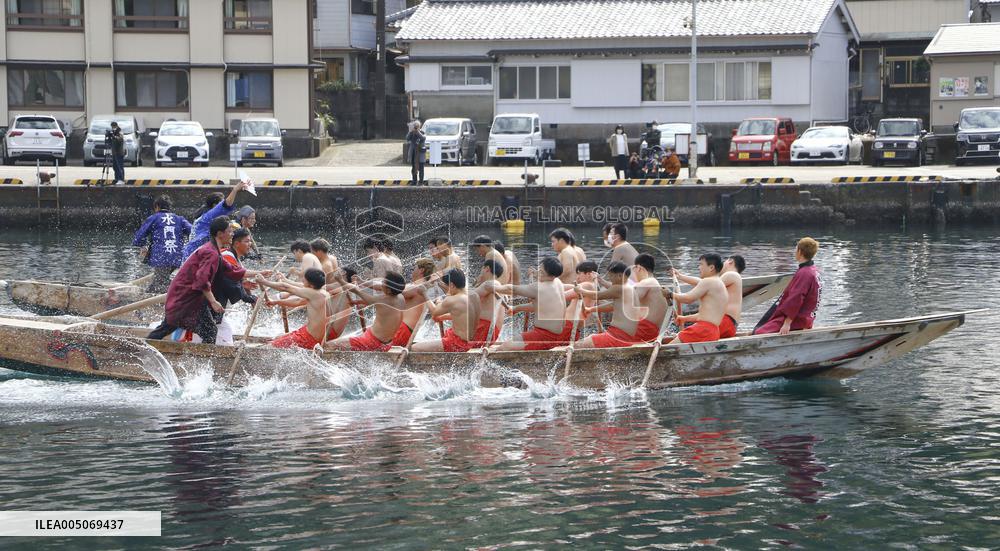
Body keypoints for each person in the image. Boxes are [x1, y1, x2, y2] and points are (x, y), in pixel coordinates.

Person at [148, 216, 238, 345]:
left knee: (169, 326)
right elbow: (202, 280)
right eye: (230, 231)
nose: (232, 234)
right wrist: (213, 301)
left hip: (188, 298)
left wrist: (260, 275)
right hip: (186, 298)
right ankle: (204, 361)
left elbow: (232, 270)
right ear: (220, 234)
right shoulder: (211, 252)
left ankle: (145, 347)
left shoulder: (214, 250)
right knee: (209, 330)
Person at [493, 257, 572, 351]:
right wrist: (516, 308)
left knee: (503, 348)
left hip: (544, 336)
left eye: (540, 269)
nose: (538, 271)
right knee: (510, 342)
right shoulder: (557, 283)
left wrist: (494, 288)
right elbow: (536, 306)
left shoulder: (538, 288)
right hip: (555, 335)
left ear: (543, 273)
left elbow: (512, 289)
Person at [754, 238, 821, 336]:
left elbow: (796, 298)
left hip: (797, 319)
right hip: (807, 318)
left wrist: (787, 323)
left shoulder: (804, 273)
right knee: (761, 328)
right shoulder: (814, 271)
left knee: (759, 333)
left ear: (799, 251)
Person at [326, 272, 406, 351]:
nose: (381, 284)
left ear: (388, 290)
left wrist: (341, 280)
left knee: (330, 345)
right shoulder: (400, 297)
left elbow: (355, 290)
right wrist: (363, 282)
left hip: (372, 342)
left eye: (383, 283)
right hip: (386, 343)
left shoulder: (381, 300)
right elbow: (378, 290)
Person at [676, 254, 746, 339]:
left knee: (693, 331)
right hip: (729, 325)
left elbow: (705, 283)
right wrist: (681, 277)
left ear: (730, 261)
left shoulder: (731, 274)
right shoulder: (733, 277)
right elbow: (704, 283)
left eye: (725, 261)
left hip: (726, 322)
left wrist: (681, 278)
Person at [132, 195, 192, 293]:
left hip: (161, 257)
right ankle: (152, 296)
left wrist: (143, 246)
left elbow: (139, 237)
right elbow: (193, 232)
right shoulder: (179, 219)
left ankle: (159, 302)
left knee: (160, 283)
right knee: (161, 280)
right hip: (178, 257)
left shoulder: (154, 218)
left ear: (157, 207)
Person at [572, 262, 640, 348]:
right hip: (624, 336)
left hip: (618, 336)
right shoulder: (629, 288)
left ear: (619, 276)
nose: (610, 279)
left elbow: (598, 295)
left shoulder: (619, 288)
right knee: (589, 338)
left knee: (577, 345)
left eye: (611, 276)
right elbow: (612, 306)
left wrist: (581, 290)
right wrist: (591, 309)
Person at [412, 269, 482, 353]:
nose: (447, 289)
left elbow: (434, 311)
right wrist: (438, 282)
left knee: (414, 348)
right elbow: (462, 315)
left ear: (452, 285)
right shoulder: (474, 295)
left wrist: (424, 294)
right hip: (470, 342)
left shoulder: (452, 299)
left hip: (457, 343)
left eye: (446, 285)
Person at [259, 269, 330, 350]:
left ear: (310, 283)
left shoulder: (313, 293)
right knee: (277, 338)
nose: (302, 280)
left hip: (308, 338)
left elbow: (285, 287)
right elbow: (298, 301)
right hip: (309, 334)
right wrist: (276, 302)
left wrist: (264, 282)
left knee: (267, 348)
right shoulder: (322, 292)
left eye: (304, 279)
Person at [664, 254, 728, 344]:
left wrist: (670, 294)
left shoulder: (708, 281)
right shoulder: (719, 284)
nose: (699, 267)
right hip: (713, 332)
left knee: (668, 350)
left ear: (711, 268)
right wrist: (684, 318)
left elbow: (688, 299)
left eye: (701, 264)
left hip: (702, 329)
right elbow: (704, 315)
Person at [182, 181, 248, 260]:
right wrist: (235, 190)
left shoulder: (207, 219)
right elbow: (226, 205)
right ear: (214, 206)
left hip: (199, 253)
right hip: (194, 255)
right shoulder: (207, 217)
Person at [391, 258, 438, 347]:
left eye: (414, 268)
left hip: (402, 330)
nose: (412, 271)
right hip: (404, 330)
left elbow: (391, 293)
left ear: (421, 270)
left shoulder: (417, 287)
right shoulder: (424, 286)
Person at [470, 259, 506, 346]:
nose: (480, 272)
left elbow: (466, 298)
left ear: (486, 268)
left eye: (482, 269)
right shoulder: (499, 285)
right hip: (491, 332)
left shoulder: (489, 284)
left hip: (484, 329)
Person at [405, 121, 426, 186]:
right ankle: (414, 181)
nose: (416, 128)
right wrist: (411, 131)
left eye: (417, 126)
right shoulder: (412, 133)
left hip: (420, 154)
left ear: (420, 127)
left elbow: (423, 138)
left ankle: (421, 182)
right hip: (414, 153)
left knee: (421, 169)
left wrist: (418, 132)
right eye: (415, 126)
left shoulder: (422, 132)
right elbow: (407, 138)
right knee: (414, 168)